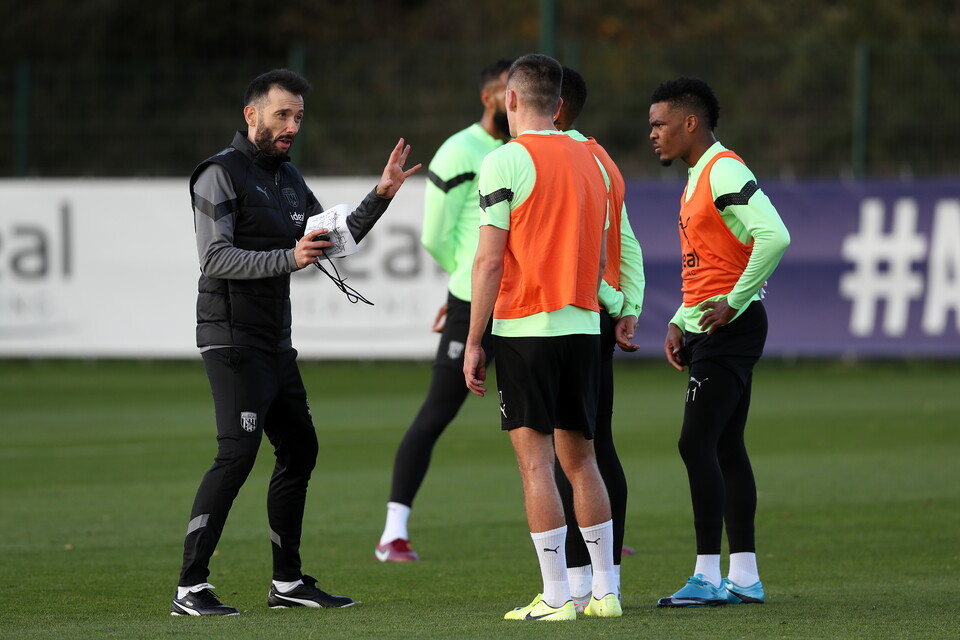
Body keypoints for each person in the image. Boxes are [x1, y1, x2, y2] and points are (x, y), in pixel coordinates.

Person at [172, 68, 420, 616]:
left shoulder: (286, 176)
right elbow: (214, 258)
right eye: (282, 114)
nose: (292, 126)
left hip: (273, 341)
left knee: (300, 448)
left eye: (299, 117)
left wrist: (381, 195)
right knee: (236, 455)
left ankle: (287, 583)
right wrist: (289, 256)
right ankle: (190, 587)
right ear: (251, 115)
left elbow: (331, 239)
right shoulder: (218, 173)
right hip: (231, 338)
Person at [464, 54, 621, 621]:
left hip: (526, 328)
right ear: (558, 104)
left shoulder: (504, 160)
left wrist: (474, 340)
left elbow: (488, 261)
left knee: (536, 465)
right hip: (583, 326)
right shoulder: (593, 159)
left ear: (509, 99)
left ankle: (556, 597)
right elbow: (605, 251)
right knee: (583, 461)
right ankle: (605, 593)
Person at [646, 77, 790, 607]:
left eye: (660, 124)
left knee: (695, 443)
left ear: (691, 122)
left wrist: (734, 300)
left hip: (732, 327)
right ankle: (745, 577)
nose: (653, 134)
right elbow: (707, 265)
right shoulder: (697, 177)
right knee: (726, 447)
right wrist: (679, 320)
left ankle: (707, 575)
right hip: (711, 326)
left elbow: (775, 235)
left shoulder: (724, 169)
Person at [376, 59, 512, 563]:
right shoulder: (459, 150)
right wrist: (467, 282)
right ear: (488, 97)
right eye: (506, 91)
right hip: (474, 301)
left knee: (556, 419)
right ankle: (393, 533)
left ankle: (592, 531)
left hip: (523, 302)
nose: (514, 100)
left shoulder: (526, 149)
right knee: (436, 412)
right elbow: (435, 235)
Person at [551, 66, 645, 612]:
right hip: (599, 317)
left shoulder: (551, 159)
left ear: (555, 107)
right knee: (595, 445)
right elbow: (626, 240)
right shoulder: (602, 158)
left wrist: (611, 300)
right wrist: (628, 306)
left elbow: (566, 252)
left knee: (565, 450)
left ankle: (576, 583)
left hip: (566, 315)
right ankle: (604, 581)